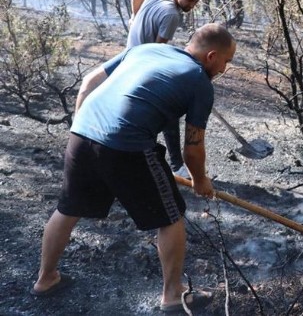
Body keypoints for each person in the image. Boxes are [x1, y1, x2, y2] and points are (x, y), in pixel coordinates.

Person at [31, 23, 236, 313]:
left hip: (82, 133)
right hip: (126, 144)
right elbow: (193, 147)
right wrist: (200, 180)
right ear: (212, 56)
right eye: (226, 62)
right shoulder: (199, 81)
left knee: (68, 208)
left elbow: (90, 81)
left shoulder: (148, 48)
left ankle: (45, 279)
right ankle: (173, 295)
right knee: (171, 216)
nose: (224, 70)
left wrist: (82, 125)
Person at [126, 0, 204, 179]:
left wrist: (134, 18)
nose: (191, 5)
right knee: (169, 111)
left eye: (194, 2)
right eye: (188, 0)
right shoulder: (172, 16)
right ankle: (176, 165)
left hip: (130, 55)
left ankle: (170, 163)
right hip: (141, 65)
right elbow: (158, 51)